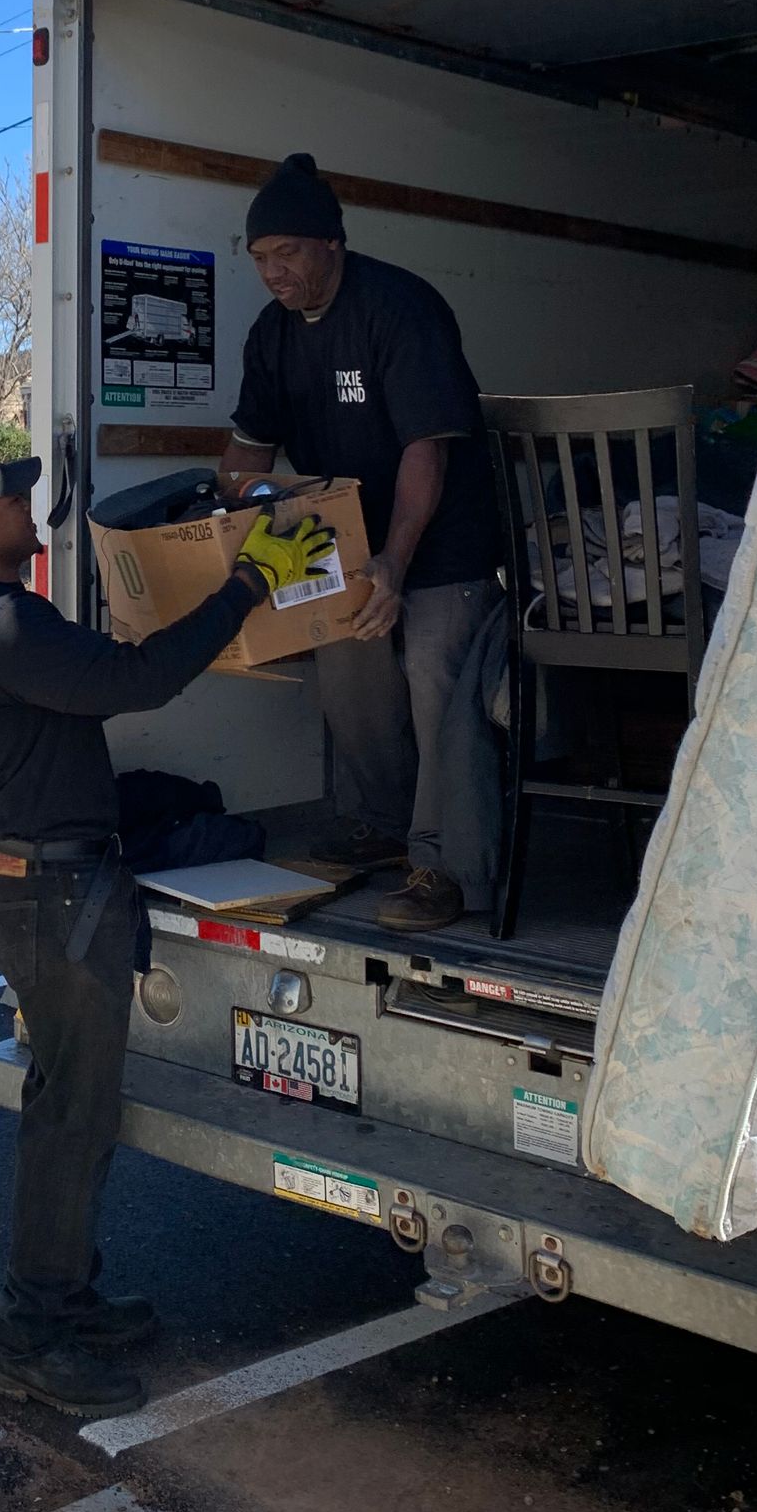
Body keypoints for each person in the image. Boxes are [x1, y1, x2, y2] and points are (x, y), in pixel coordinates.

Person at [0, 445, 324, 1419]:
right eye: (14, 499)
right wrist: (251, 582)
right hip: (51, 895)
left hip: (42, 883)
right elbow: (135, 680)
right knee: (70, 1120)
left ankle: (65, 1296)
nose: (29, 507)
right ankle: (33, 1335)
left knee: (71, 1108)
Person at [221, 152, 505, 934]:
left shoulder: (400, 307)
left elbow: (428, 450)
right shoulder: (272, 335)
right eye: (260, 260)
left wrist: (395, 562)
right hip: (343, 541)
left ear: (332, 245)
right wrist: (230, 517)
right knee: (348, 671)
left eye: (288, 255)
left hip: (442, 538)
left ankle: (446, 866)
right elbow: (246, 454)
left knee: (434, 674)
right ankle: (381, 823)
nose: (273, 274)